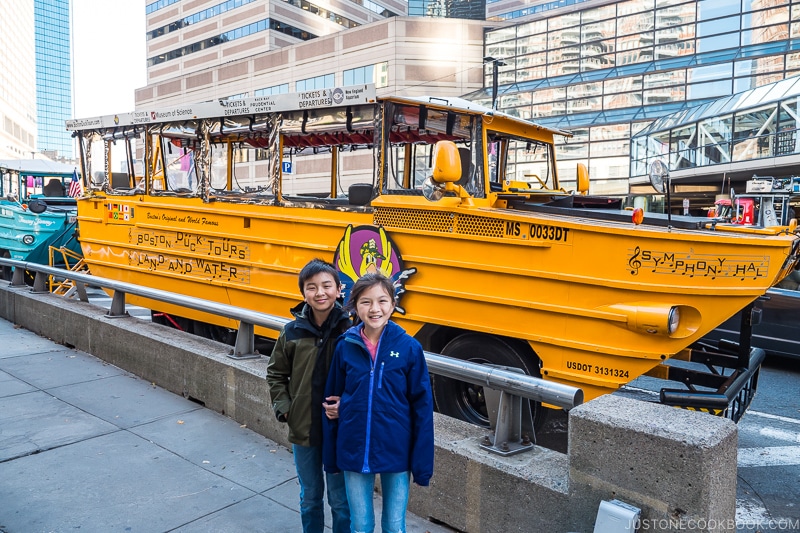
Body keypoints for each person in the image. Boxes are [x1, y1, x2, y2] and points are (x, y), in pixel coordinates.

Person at [323, 272, 434, 533]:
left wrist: (422, 466)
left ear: (393, 305)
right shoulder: (345, 346)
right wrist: (331, 458)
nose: (375, 309)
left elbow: (422, 409)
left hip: (397, 449)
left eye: (382, 301)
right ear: (354, 307)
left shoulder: (409, 348)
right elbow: (330, 402)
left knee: (394, 526)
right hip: (353, 447)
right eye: (366, 302)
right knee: (360, 526)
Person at [266, 259, 351, 533]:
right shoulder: (292, 332)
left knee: (340, 500)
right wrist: (286, 409)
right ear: (304, 293)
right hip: (303, 428)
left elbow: (364, 380)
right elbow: (276, 373)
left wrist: (347, 406)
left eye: (327, 285)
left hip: (340, 430)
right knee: (310, 497)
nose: (320, 292)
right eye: (311, 287)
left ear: (339, 289)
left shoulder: (350, 331)